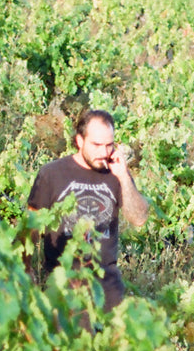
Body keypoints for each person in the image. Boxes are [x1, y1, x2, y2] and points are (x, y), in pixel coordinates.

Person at [27, 109, 149, 311]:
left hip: (107, 281)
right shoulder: (52, 173)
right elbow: (31, 224)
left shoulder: (116, 173)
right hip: (64, 279)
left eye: (109, 145)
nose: (104, 152)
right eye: (97, 145)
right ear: (79, 141)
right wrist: (25, 266)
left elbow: (139, 219)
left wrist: (124, 177)